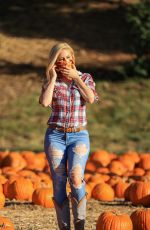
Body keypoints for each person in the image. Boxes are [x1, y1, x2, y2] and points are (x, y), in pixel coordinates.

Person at [39, 43, 99, 230]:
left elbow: (90, 98)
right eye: (60, 59)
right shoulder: (52, 80)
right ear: (54, 63)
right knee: (58, 182)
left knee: (75, 177)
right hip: (55, 136)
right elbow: (44, 102)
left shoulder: (85, 77)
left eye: (67, 57)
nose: (65, 61)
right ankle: (64, 228)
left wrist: (77, 80)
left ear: (73, 58)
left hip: (78, 136)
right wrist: (53, 77)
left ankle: (79, 226)